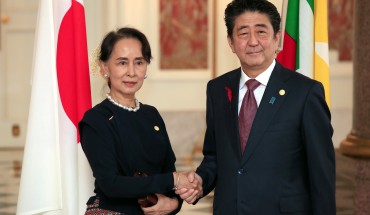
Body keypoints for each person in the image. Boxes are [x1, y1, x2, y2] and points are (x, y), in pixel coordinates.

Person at [177, 0, 336, 214]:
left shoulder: (305, 92)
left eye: (261, 32)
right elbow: (216, 156)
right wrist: (201, 181)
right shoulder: (217, 89)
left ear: (277, 38)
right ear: (231, 43)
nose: (253, 41)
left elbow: (321, 174)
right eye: (243, 33)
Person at [79, 27, 195, 215]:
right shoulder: (96, 120)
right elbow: (111, 184)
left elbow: (168, 174)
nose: (131, 72)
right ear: (104, 68)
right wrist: (173, 180)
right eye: (122, 63)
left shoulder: (152, 115)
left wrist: (174, 204)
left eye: (139, 62)